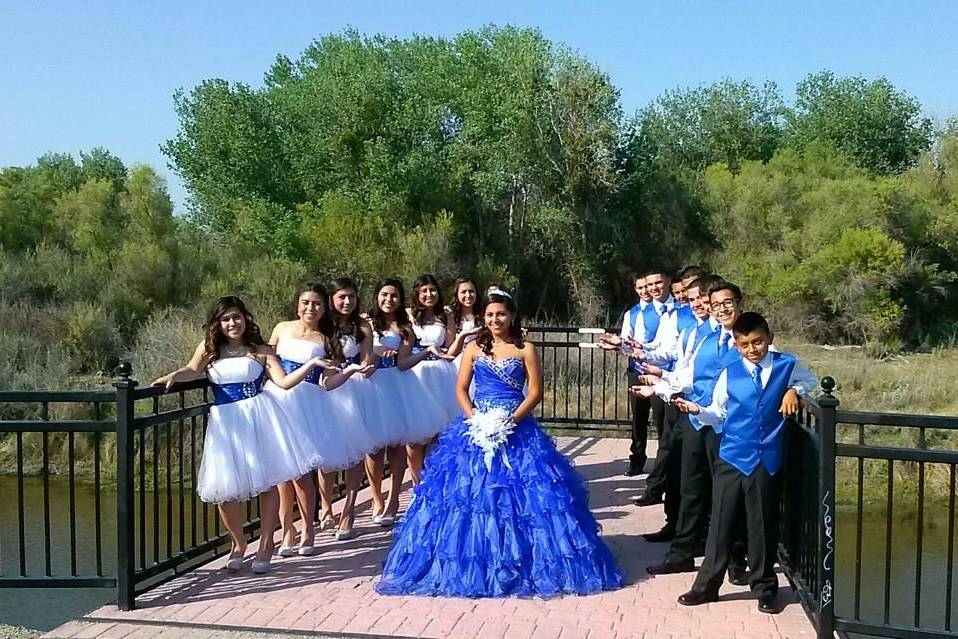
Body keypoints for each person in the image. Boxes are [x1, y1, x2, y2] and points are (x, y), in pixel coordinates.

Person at [376, 290, 623, 597]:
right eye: (490, 315)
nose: (495, 320)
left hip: (516, 429)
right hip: (476, 429)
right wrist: (474, 420)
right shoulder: (473, 348)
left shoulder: (525, 349)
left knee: (526, 498)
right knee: (469, 497)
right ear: (484, 317)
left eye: (501, 314)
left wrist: (511, 421)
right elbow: (461, 389)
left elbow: (534, 392)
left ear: (512, 316)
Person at [152, 296, 332, 574]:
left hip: (258, 417)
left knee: (266, 483)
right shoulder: (209, 348)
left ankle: (266, 543)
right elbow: (192, 369)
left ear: (245, 318)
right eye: (226, 319)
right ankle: (238, 544)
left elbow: (283, 382)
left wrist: (311, 366)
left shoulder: (259, 349)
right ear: (218, 323)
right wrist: (174, 375)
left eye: (236, 317)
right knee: (225, 491)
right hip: (226, 422)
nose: (232, 323)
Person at [673, 312, 816, 614]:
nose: (753, 349)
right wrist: (697, 409)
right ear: (737, 345)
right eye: (745, 344)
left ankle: (765, 588)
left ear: (769, 339)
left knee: (762, 524)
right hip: (732, 456)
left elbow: (810, 380)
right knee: (721, 524)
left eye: (758, 342)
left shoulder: (786, 365)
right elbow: (717, 412)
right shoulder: (730, 372)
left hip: (767, 458)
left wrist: (794, 391)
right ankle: (706, 587)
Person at [265, 284, 373, 547]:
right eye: (305, 303)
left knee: (303, 471)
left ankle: (307, 531)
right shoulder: (281, 328)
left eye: (316, 304)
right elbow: (265, 360)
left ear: (324, 309)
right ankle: (287, 529)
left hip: (308, 404)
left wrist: (349, 371)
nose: (310, 308)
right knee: (281, 470)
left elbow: (328, 382)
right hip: (277, 399)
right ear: (297, 304)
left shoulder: (326, 339)